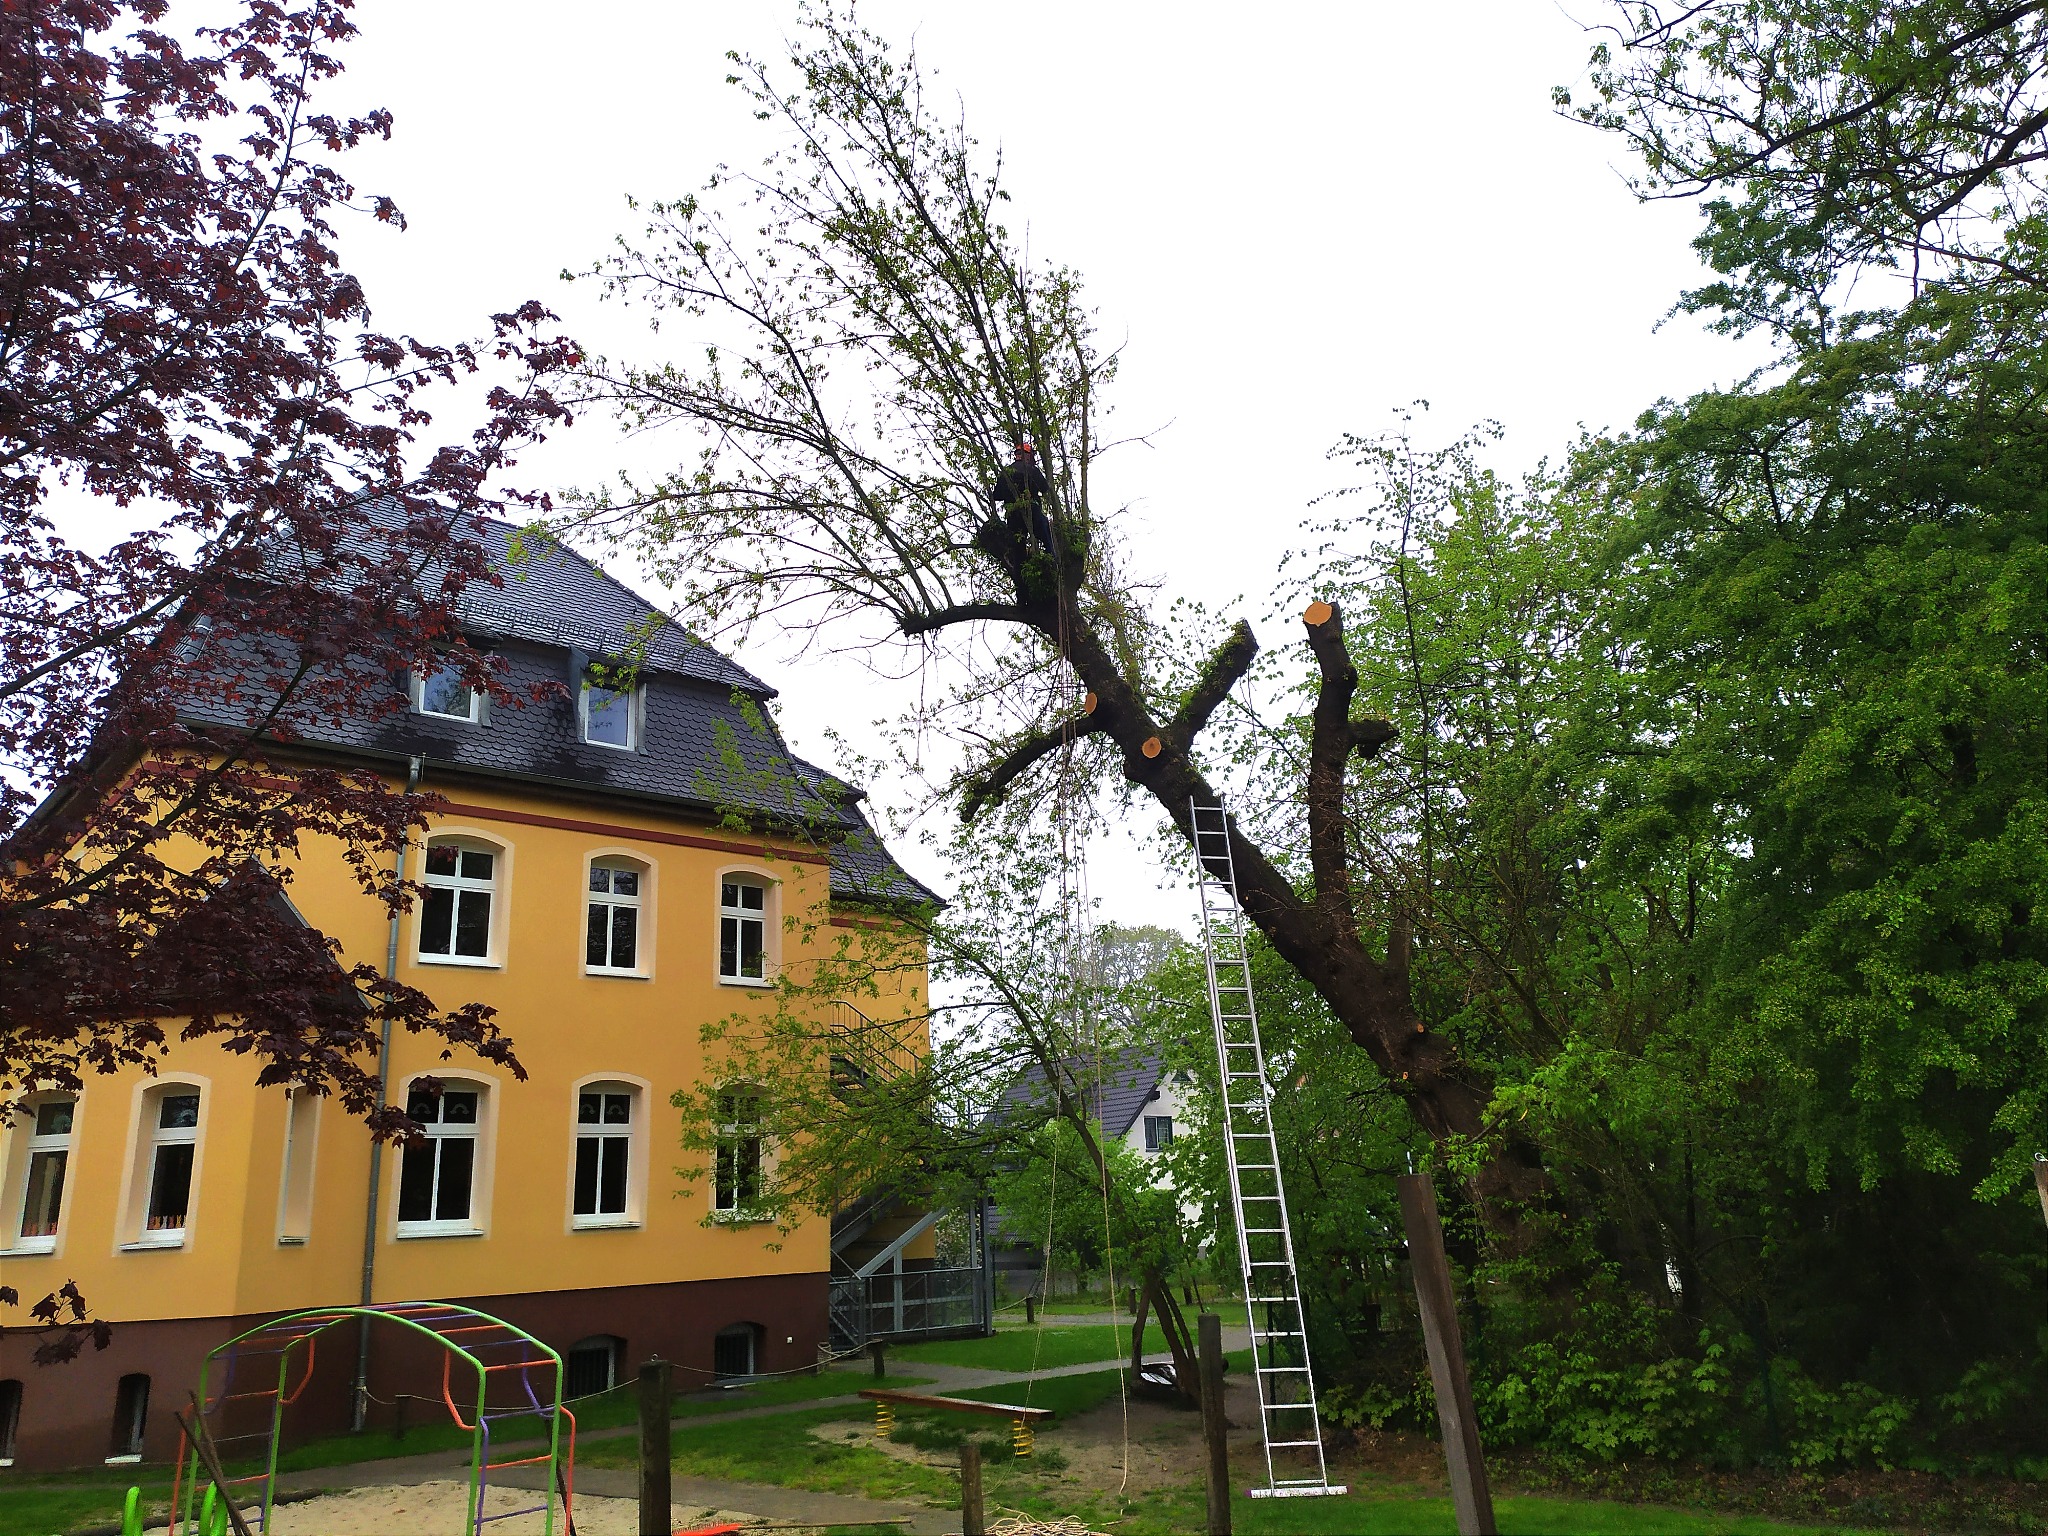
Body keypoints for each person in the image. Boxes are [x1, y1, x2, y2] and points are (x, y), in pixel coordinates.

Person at [990, 441, 1055, 552]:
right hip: (1032, 511)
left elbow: (996, 496)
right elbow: (1044, 488)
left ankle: (1019, 567)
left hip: (1013, 515)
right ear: (1028, 455)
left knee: (1018, 548)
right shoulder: (1032, 470)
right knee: (1046, 534)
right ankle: (1051, 560)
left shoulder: (1006, 472)